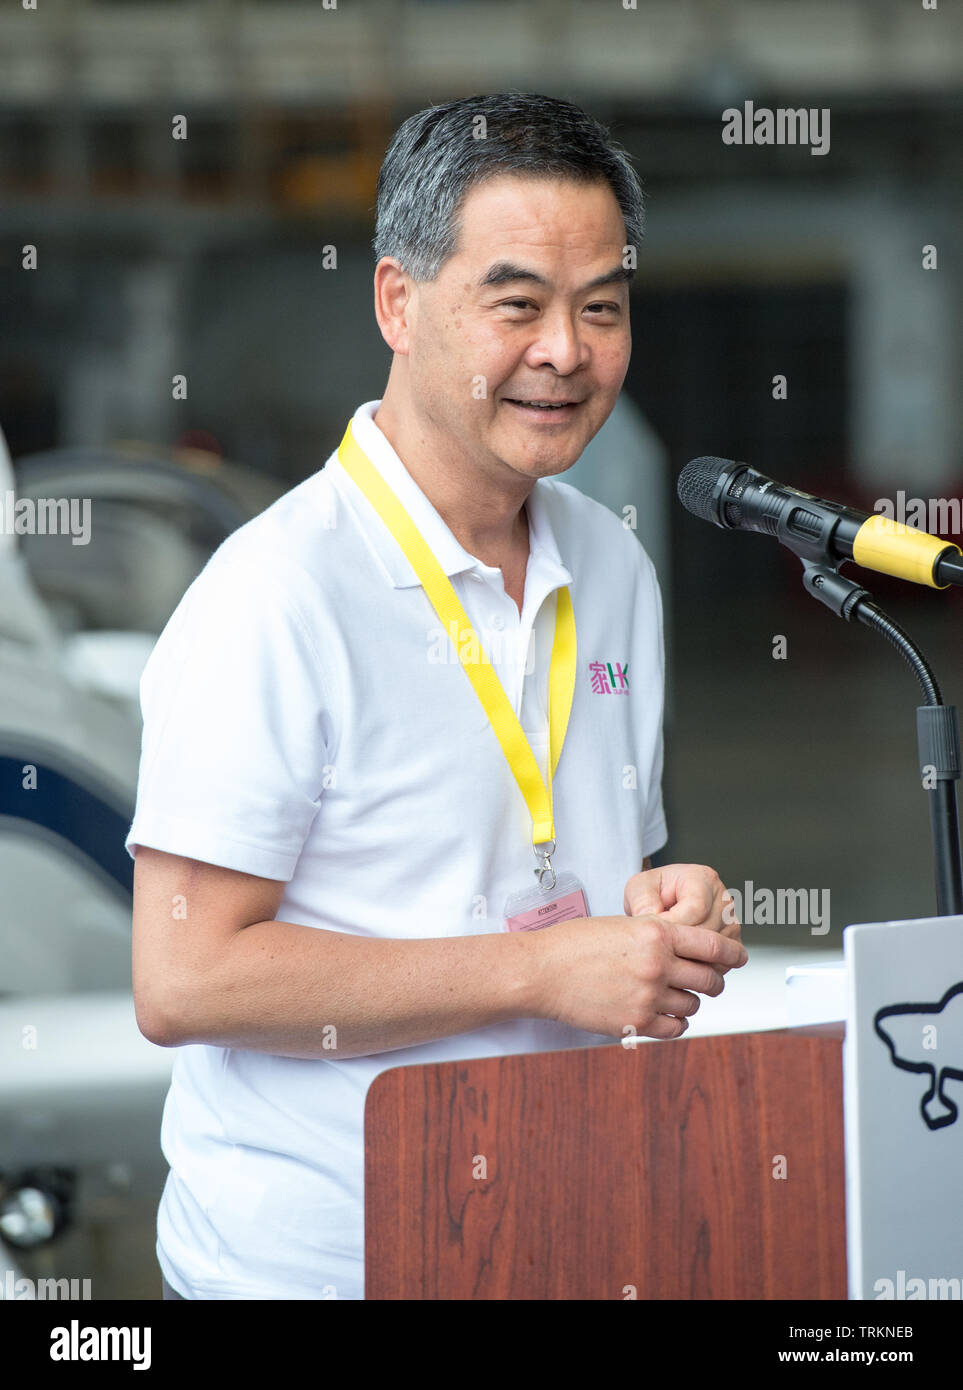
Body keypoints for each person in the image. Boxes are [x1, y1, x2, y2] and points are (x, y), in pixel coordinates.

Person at [127, 91, 747, 1302]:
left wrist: (658, 907)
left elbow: (542, 866)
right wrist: (535, 969)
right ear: (398, 303)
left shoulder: (611, 565)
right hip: (328, 1266)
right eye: (516, 304)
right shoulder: (276, 593)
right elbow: (184, 978)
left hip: (569, 1232)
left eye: (602, 308)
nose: (565, 350)